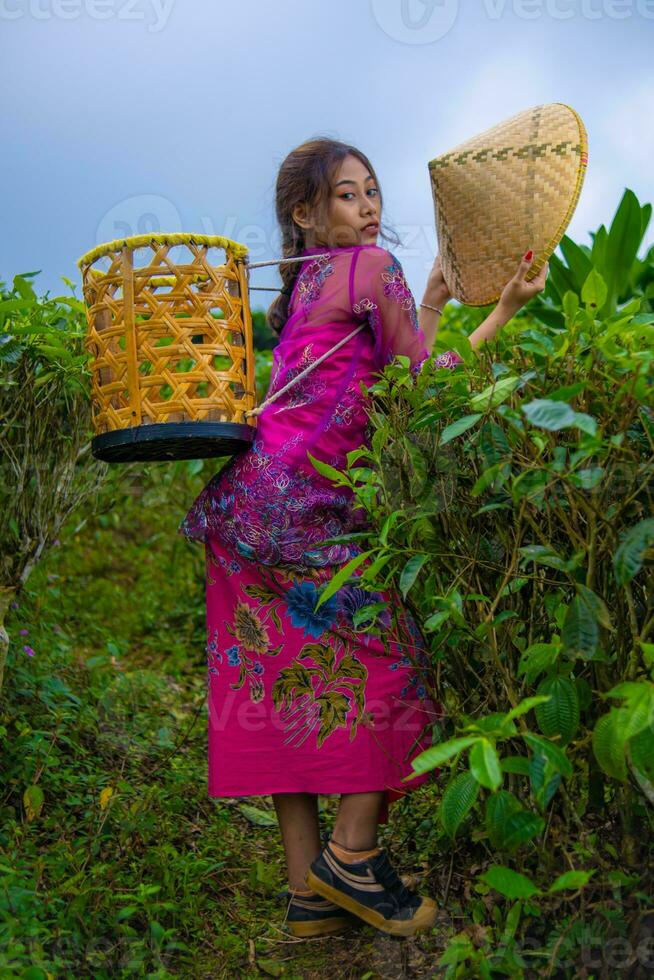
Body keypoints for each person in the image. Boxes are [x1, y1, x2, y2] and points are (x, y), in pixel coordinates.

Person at [178, 137, 548, 939]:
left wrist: (443, 307)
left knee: (285, 691)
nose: (370, 205)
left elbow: (382, 376)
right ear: (306, 216)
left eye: (373, 190)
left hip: (243, 517)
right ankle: (351, 856)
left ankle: (308, 897)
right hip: (300, 516)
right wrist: (505, 310)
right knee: (396, 660)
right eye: (348, 195)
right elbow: (416, 391)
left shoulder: (305, 284)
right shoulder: (374, 268)